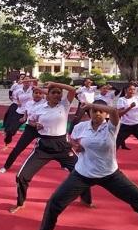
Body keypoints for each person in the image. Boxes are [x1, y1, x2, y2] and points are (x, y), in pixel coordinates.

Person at [30, 101, 138, 230]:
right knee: (54, 203)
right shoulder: (81, 127)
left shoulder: (111, 127)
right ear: (89, 113)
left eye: (100, 111)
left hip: (110, 175)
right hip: (82, 174)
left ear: (105, 113)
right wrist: (75, 146)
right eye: (94, 111)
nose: (97, 114)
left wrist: (91, 104)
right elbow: (72, 140)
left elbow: (114, 112)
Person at [10, 82, 92, 214]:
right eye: (53, 92)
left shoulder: (64, 105)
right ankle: (20, 202)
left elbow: (72, 90)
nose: (56, 95)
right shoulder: (39, 108)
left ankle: (86, 200)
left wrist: (54, 84)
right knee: (21, 176)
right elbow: (30, 121)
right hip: (43, 146)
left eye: (58, 93)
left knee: (82, 171)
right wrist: (35, 124)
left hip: (62, 146)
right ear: (47, 95)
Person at [0, 87, 47, 173]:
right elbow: (26, 113)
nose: (38, 95)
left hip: (43, 129)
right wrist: (24, 118)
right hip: (30, 128)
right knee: (18, 148)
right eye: (36, 93)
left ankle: (67, 164)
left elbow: (50, 94)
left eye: (40, 93)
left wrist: (40, 89)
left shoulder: (46, 103)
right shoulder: (29, 103)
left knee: (55, 147)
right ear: (32, 94)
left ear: (43, 94)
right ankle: (6, 166)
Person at [3, 78, 36, 149]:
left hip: (31, 112)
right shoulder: (18, 91)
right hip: (20, 111)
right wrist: (18, 102)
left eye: (28, 81)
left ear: (30, 82)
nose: (27, 82)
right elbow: (15, 98)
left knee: (35, 129)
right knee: (11, 130)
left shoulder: (33, 89)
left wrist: (24, 80)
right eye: (25, 81)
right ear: (23, 83)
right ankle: (7, 140)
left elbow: (36, 80)